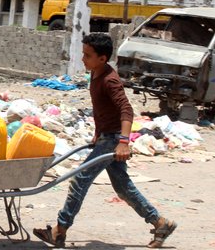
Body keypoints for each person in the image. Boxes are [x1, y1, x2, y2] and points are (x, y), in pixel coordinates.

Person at [33, 33, 177, 248]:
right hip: (106, 137)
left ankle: (59, 231)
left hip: (114, 140)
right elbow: (103, 110)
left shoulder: (110, 80)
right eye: (83, 54)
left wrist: (123, 142)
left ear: (102, 58)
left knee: (79, 179)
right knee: (123, 188)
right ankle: (160, 223)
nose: (83, 59)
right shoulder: (95, 73)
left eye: (87, 55)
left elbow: (126, 110)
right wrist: (98, 133)